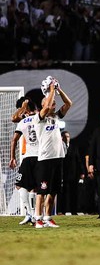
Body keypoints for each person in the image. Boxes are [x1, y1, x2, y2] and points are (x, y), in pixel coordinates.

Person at [33, 77, 72, 228]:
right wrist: (51, 91)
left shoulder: (56, 117)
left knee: (53, 191)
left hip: (58, 158)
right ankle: (38, 219)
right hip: (45, 159)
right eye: (49, 103)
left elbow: (69, 104)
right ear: (42, 106)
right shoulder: (38, 119)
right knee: (41, 191)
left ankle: (48, 217)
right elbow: (47, 104)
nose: (52, 104)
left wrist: (58, 90)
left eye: (54, 103)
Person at [8, 97, 38, 225]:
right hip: (37, 156)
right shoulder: (39, 116)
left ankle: (32, 214)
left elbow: (13, 118)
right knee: (29, 187)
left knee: (24, 185)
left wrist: (23, 106)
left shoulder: (29, 118)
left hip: (33, 155)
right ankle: (30, 214)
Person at [58, 130, 84, 216]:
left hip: (73, 174)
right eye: (65, 137)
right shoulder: (58, 148)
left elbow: (79, 160)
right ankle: (62, 211)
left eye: (68, 137)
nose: (67, 138)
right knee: (63, 193)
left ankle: (74, 211)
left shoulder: (74, 147)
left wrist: (82, 172)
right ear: (61, 138)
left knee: (74, 193)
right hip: (63, 174)